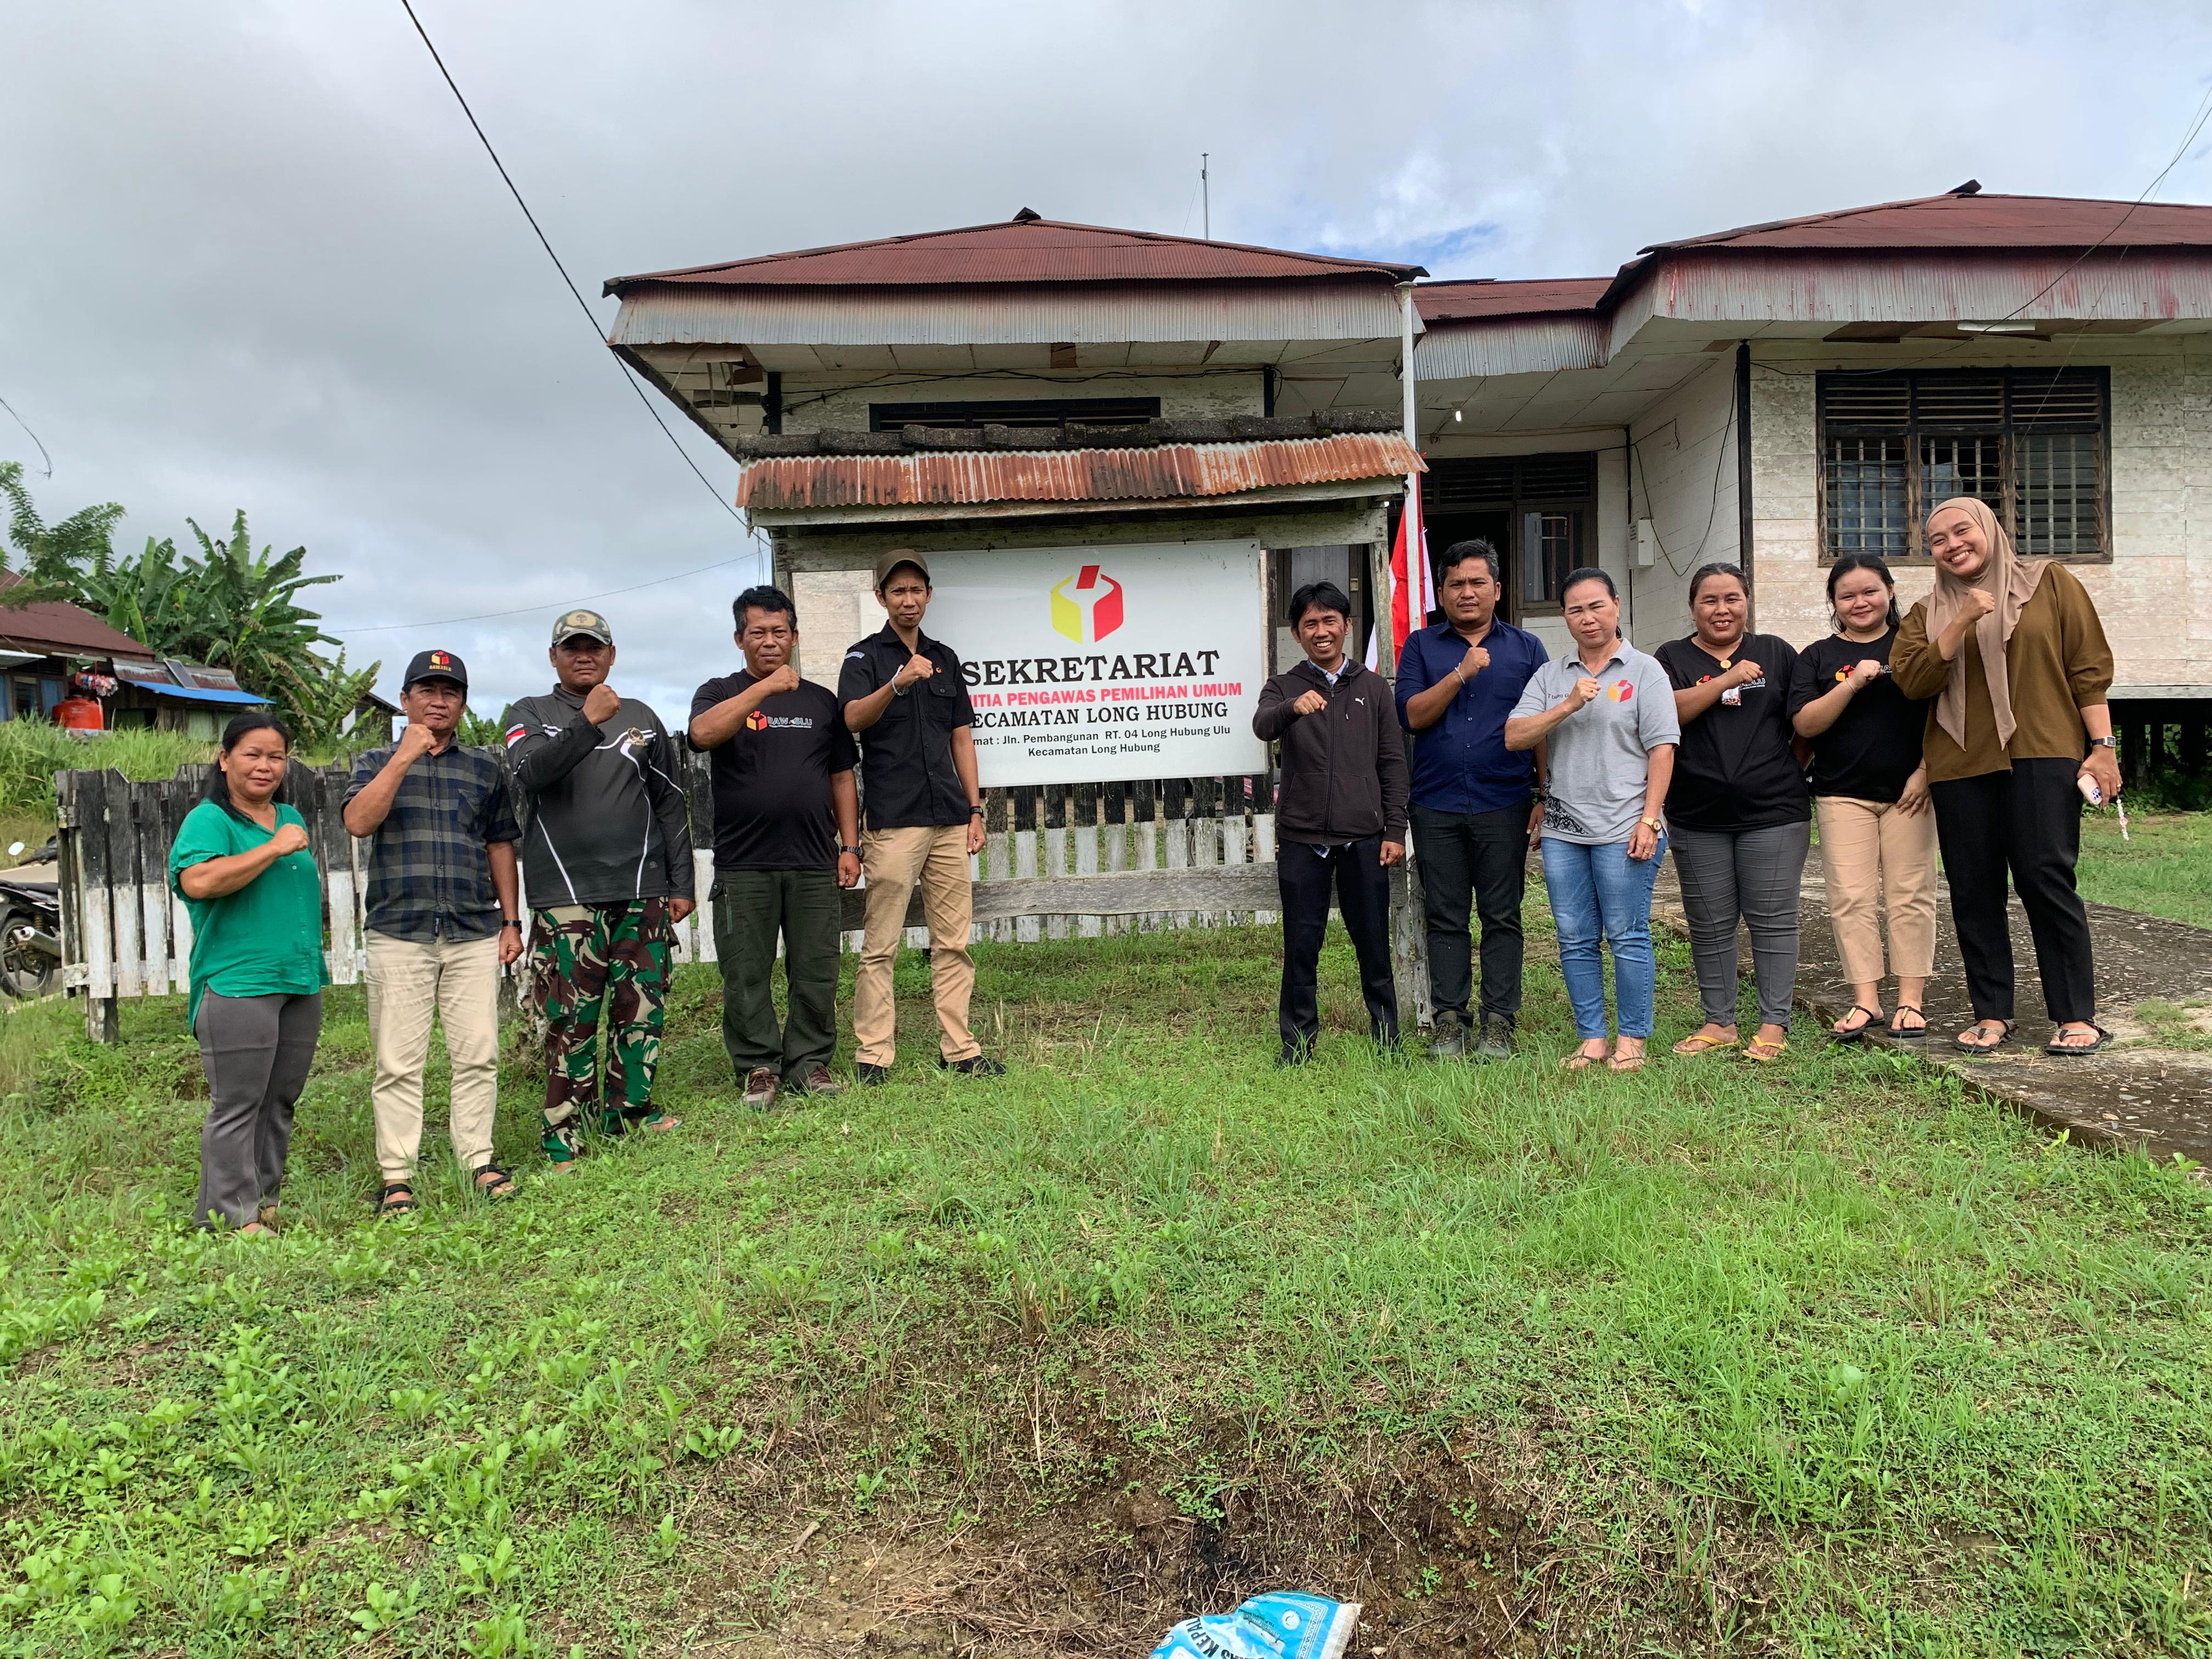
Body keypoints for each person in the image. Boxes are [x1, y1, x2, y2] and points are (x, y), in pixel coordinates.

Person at [1891, 496, 2119, 1056]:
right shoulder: (1925, 612)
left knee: (2046, 878)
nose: (1951, 545)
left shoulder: (2050, 583)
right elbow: (1914, 682)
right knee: (1974, 889)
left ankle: (2075, 1014)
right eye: (1937, 539)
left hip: (2042, 751)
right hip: (1959, 762)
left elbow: (2087, 669)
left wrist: (2103, 747)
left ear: (1990, 528)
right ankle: (1992, 1012)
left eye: (1961, 530)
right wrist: (1964, 618)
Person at [499, 610, 696, 1169]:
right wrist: (588, 722)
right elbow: (531, 773)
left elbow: (669, 804)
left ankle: (630, 1112)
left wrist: (679, 882)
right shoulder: (530, 713)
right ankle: (565, 1130)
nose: (584, 656)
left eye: (595, 647)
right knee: (570, 1017)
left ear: (611, 655)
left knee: (642, 1010)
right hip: (567, 896)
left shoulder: (641, 717)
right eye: (572, 648)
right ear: (554, 656)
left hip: (642, 891)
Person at [343, 649, 524, 1215]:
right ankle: (397, 1173)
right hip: (401, 931)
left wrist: (512, 921)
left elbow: (500, 844)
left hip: (472, 930)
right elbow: (358, 822)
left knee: (478, 1054)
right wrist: (404, 758)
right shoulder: (374, 760)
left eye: (450, 692)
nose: (438, 700)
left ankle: (478, 1157)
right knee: (399, 1060)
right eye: (426, 690)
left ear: (464, 704)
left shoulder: (483, 769)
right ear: (405, 700)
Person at [690, 585, 861, 1107]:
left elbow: (841, 776)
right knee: (745, 970)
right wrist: (761, 692)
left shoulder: (820, 701)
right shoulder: (719, 691)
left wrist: (849, 846)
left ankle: (809, 1063)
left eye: (779, 632)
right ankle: (759, 1067)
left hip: (813, 860)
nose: (770, 642)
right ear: (739, 638)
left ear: (794, 636)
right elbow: (701, 735)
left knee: (815, 968)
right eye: (758, 633)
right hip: (745, 864)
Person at [838, 551, 1002, 1084]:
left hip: (951, 819)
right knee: (880, 945)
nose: (908, 599)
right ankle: (873, 1055)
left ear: (929, 595)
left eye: (916, 590)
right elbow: (852, 720)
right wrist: (898, 683)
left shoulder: (946, 658)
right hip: (894, 821)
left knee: (953, 942)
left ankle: (960, 1050)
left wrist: (975, 810)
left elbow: (962, 737)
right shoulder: (863, 659)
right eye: (897, 591)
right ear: (881, 597)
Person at [1505, 568, 1677, 1073]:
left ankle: (1632, 1039)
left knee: (1627, 933)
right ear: (1566, 617)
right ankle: (1592, 1037)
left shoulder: (1645, 671)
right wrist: (1569, 704)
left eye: (1597, 606)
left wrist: (1650, 820)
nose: (1588, 618)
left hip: (1626, 825)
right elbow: (1516, 736)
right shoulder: (1552, 676)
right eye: (1577, 609)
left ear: (1617, 606)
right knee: (1575, 935)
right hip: (1564, 830)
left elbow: (1663, 749)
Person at [169, 713, 326, 1233]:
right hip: (238, 982)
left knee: (280, 1099)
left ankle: (265, 1198)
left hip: (297, 982)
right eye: (253, 754)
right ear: (225, 759)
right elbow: (199, 882)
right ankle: (228, 1216)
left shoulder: (287, 815)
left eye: (276, 756)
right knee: (238, 1103)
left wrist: (281, 839)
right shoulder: (210, 820)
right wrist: (274, 848)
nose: (265, 766)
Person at [1395, 540, 1548, 1060]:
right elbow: (1413, 716)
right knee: (1446, 916)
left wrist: (1543, 795)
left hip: (1504, 801)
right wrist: (1461, 672)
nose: (1467, 592)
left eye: (1477, 582)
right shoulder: (1420, 646)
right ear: (1441, 592)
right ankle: (1449, 1019)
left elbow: (1542, 729)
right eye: (1456, 583)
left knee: (1503, 916)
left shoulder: (1527, 650)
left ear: (1497, 590)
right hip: (1435, 803)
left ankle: (1500, 1021)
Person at [1655, 563, 1812, 1065]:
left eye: (1732, 599)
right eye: (1710, 601)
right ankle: (1719, 1021)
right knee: (1710, 922)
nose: (1722, 610)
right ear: (1692, 607)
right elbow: (1667, 714)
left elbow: (1803, 724)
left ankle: (1772, 1024)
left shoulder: (1776, 653)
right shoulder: (1672, 658)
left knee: (1772, 920)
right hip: (1697, 814)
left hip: (1774, 812)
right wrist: (1726, 678)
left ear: (1747, 601)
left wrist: (1782, 769)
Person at [1253, 579, 1408, 1064]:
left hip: (1365, 838)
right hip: (1303, 839)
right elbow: (1261, 725)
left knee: (1374, 947)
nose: (1321, 631)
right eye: (1310, 624)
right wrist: (1291, 709)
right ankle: (1297, 1045)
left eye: (1329, 621)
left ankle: (1387, 1041)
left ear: (1347, 626)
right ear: (1297, 635)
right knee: (1302, 946)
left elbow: (1392, 761)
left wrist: (1394, 829)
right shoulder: (1285, 685)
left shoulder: (1373, 687)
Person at [1788, 555, 1936, 1042]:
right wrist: (1851, 682)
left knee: (1909, 895)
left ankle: (1911, 1000)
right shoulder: (1817, 656)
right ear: (1834, 602)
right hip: (1840, 794)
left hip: (1909, 793)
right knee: (1850, 898)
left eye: (1870, 591)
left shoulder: (1912, 645)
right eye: (1847, 595)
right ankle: (1867, 1001)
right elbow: (1806, 724)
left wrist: (1925, 772)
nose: (1860, 603)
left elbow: (1946, 710)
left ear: (1890, 591)